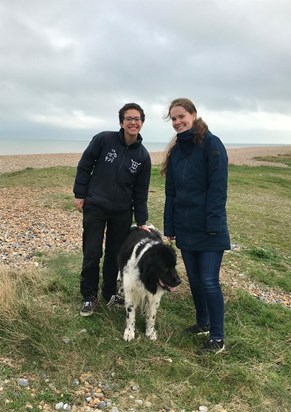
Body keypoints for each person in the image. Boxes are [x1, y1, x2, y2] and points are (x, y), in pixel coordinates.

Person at [161, 98, 230, 354]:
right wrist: (170, 225)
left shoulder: (212, 144)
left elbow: (218, 188)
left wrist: (213, 224)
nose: (178, 122)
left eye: (181, 117)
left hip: (209, 228)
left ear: (193, 115)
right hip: (185, 227)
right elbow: (172, 193)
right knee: (195, 280)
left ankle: (218, 337)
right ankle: (203, 323)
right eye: (174, 119)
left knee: (210, 281)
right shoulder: (176, 151)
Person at [73, 103, 151, 316]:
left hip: (122, 212)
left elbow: (141, 191)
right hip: (95, 207)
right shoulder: (104, 139)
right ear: (121, 122)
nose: (133, 122)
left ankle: (108, 293)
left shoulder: (143, 156)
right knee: (92, 252)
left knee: (114, 255)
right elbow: (85, 164)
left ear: (142, 123)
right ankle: (89, 296)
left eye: (137, 119)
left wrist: (142, 220)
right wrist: (79, 194)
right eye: (129, 118)